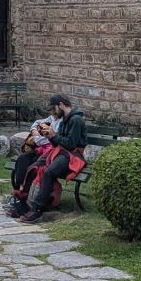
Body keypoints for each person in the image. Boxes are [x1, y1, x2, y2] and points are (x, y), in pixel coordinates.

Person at [18, 93, 86, 224]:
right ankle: (24, 202)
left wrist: (54, 135)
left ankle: (37, 209)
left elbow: (71, 144)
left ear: (61, 105)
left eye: (53, 108)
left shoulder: (76, 120)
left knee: (49, 172)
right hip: (60, 151)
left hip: (73, 156)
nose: (53, 112)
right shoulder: (66, 118)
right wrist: (50, 135)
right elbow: (57, 142)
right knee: (35, 166)